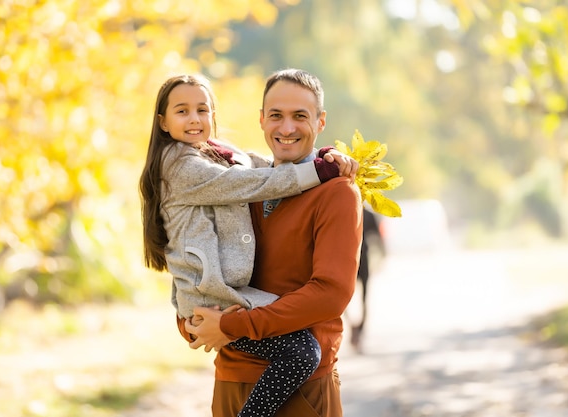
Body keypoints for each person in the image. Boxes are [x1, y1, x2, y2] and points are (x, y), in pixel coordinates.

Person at [139, 74, 358, 417]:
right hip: (230, 385)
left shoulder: (335, 192)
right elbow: (198, 261)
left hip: (301, 391)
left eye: (300, 116)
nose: (286, 127)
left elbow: (330, 294)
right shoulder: (234, 187)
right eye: (275, 115)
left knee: (303, 352)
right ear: (261, 119)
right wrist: (193, 323)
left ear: (320, 121)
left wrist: (227, 326)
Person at [349, 206, 385, 353]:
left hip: (353, 260)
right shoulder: (366, 213)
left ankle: (357, 329)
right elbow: (379, 239)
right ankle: (356, 328)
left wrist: (383, 257)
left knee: (350, 299)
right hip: (356, 260)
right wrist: (383, 255)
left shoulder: (352, 211)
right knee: (361, 298)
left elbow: (378, 239)